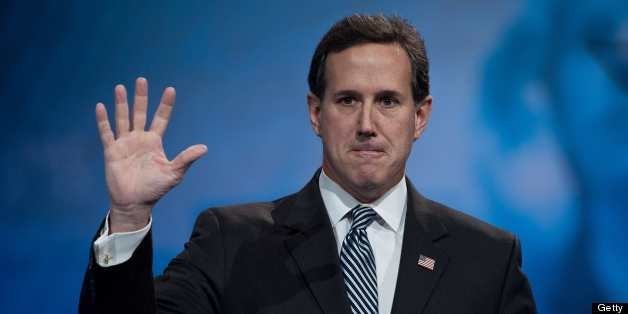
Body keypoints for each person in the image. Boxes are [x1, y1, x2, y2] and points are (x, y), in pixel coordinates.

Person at [79, 14, 536, 314]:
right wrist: (129, 216)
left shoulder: (488, 258)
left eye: (388, 102)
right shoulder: (231, 243)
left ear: (420, 117)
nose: (366, 124)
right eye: (347, 100)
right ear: (316, 113)